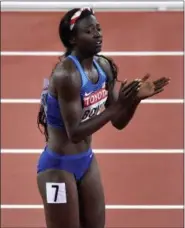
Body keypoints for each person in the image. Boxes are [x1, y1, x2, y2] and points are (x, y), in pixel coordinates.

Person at [36, 7, 170, 228]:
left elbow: (118, 122)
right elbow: (75, 132)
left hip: (86, 161)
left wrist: (132, 101)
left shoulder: (105, 66)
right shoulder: (66, 75)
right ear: (73, 38)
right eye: (89, 31)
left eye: (98, 28)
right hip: (57, 168)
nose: (98, 34)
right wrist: (117, 106)